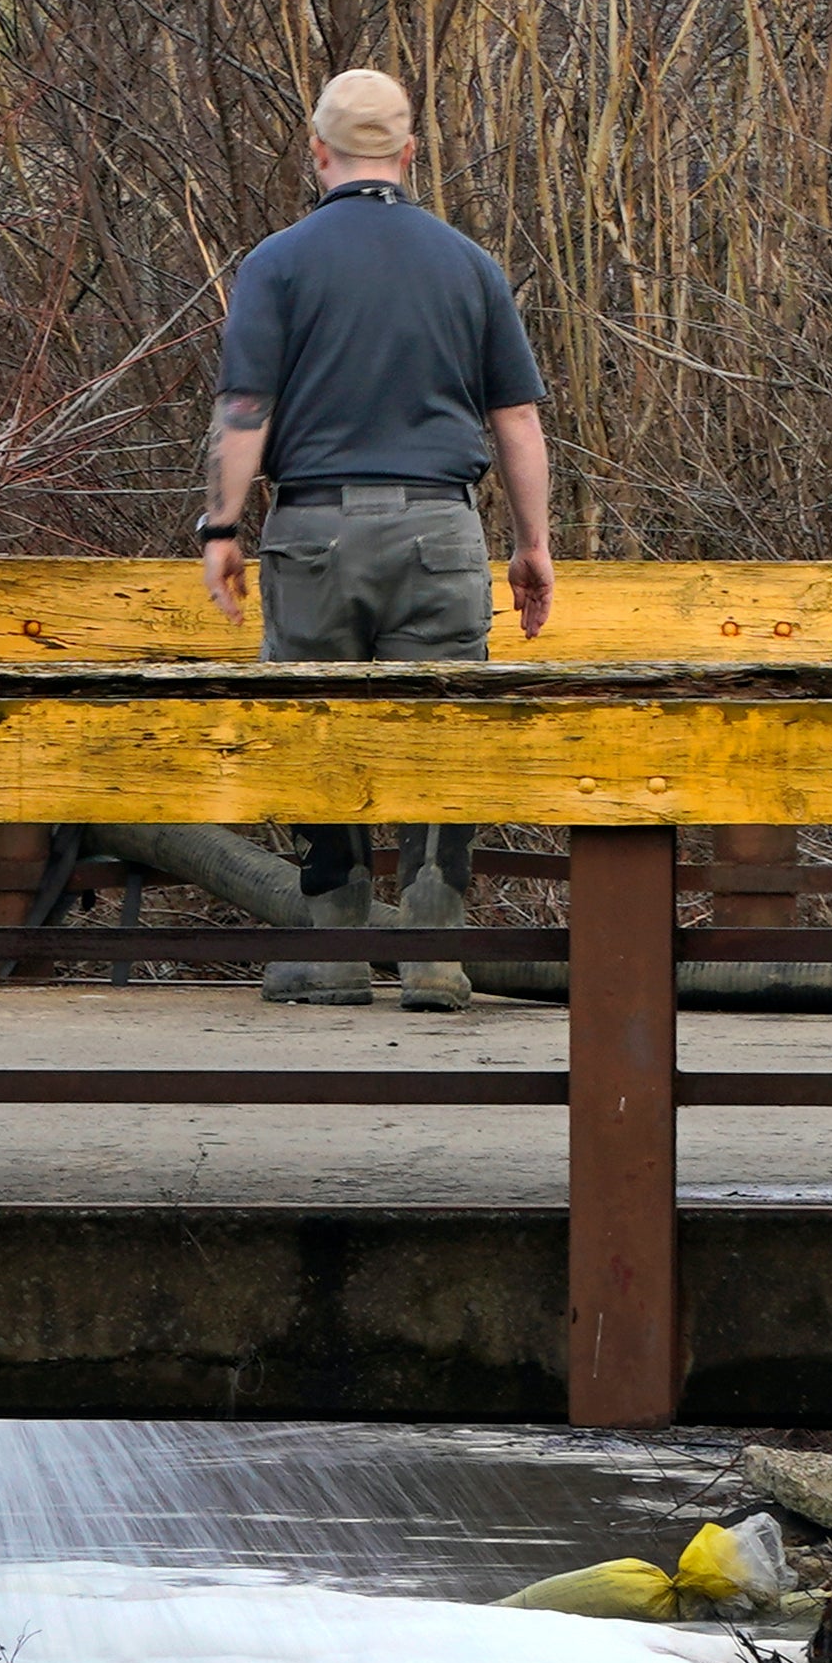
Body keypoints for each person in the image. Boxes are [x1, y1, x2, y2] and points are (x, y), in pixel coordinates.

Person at [198, 68, 554, 1010]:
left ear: (317, 153)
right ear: (407, 154)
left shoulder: (277, 262)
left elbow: (244, 408)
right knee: (443, 733)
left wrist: (224, 526)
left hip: (311, 527)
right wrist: (531, 545)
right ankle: (434, 956)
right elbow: (516, 418)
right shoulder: (467, 263)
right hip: (440, 526)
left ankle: (335, 951)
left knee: (314, 731)